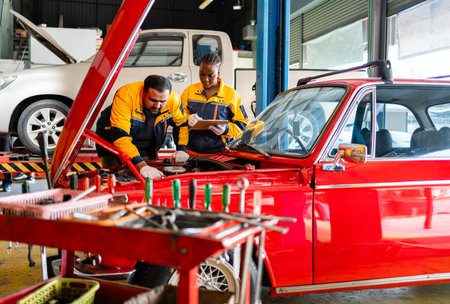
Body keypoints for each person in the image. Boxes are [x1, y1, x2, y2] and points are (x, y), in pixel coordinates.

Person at [96, 75, 189, 180]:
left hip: (147, 143)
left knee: (152, 176)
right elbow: (120, 136)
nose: (157, 105)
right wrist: (142, 166)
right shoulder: (126, 95)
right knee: (118, 176)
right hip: (114, 143)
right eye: (153, 100)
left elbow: (181, 124)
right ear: (143, 92)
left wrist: (181, 148)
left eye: (162, 102)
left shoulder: (173, 100)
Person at [181, 53, 249, 154]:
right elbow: (177, 118)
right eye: (202, 74)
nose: (205, 79)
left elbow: (243, 124)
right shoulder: (189, 91)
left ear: (218, 73)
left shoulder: (231, 94)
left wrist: (226, 129)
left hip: (220, 153)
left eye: (211, 75)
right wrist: (187, 119)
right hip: (190, 152)